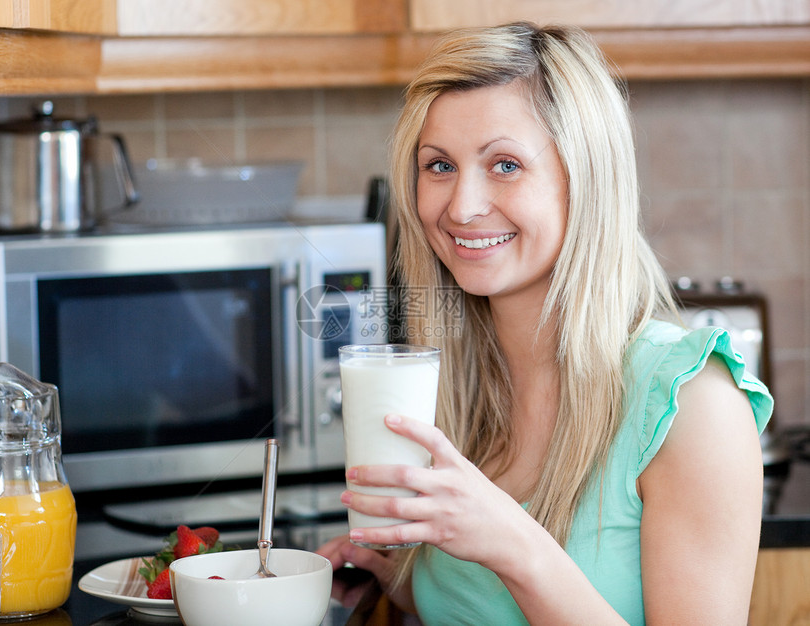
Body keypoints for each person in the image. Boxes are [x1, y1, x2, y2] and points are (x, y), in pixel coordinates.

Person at [318, 21, 773, 625]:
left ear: (585, 181)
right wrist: (397, 578)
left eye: (505, 165)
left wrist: (517, 547)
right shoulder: (458, 392)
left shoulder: (694, 406)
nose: (462, 206)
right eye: (439, 166)